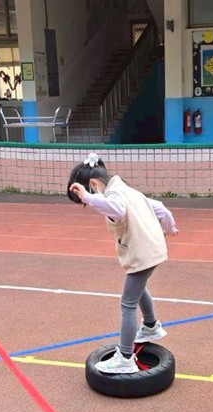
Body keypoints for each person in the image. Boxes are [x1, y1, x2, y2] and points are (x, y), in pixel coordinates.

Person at [67, 153, 178, 374]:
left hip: (142, 252)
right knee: (139, 287)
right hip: (153, 249)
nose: (88, 204)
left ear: (94, 184)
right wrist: (170, 227)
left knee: (128, 303)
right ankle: (150, 326)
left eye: (85, 201)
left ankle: (126, 357)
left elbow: (116, 210)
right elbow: (161, 208)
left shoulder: (114, 195)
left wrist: (88, 198)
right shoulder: (128, 190)